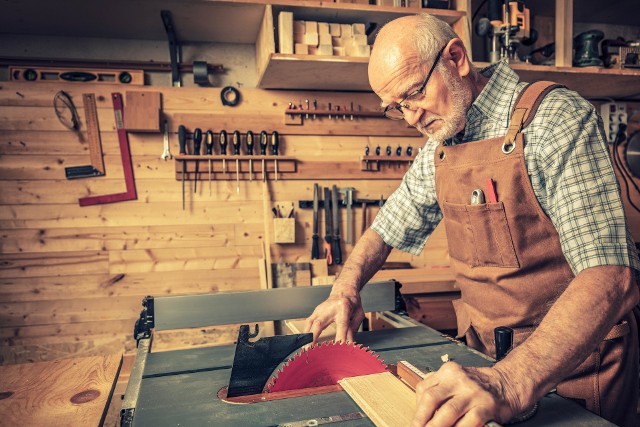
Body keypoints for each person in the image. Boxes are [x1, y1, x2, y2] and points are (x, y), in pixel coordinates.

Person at [304, 13, 640, 427]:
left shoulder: (553, 119)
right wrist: (346, 287)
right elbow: (390, 222)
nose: (410, 117)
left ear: (456, 58)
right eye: (397, 107)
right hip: (485, 365)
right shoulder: (442, 143)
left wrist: (509, 382)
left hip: (573, 373)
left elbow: (612, 277)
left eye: (414, 94)